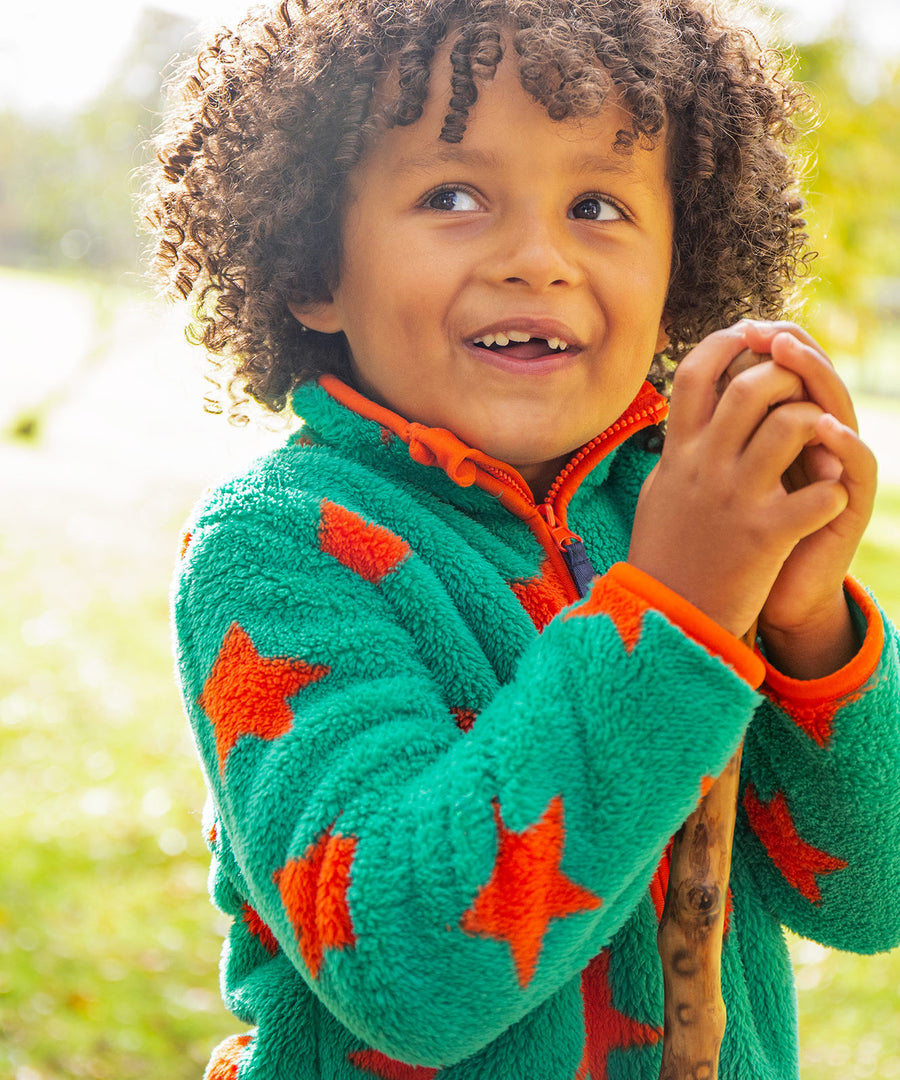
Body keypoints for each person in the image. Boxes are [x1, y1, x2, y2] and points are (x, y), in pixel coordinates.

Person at [143, 0, 900, 1076]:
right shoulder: (277, 548)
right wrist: (676, 617)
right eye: (452, 195)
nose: (537, 258)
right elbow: (410, 974)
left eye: (598, 203)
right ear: (313, 264)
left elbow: (874, 896)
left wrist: (805, 624)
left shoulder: (684, 510)